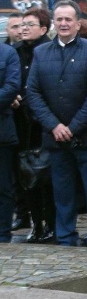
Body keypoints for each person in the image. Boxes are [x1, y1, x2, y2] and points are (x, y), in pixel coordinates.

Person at [25, 0, 87, 248]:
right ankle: (65, 237)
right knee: (62, 193)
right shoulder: (41, 53)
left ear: (77, 22)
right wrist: (54, 125)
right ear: (54, 21)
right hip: (55, 138)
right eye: (59, 19)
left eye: (68, 19)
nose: (63, 23)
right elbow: (34, 93)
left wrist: (73, 127)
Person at [12, 8, 55, 243]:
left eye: (30, 24)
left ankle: (51, 223)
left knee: (46, 178)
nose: (24, 28)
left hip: (44, 123)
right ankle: (35, 222)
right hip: (21, 124)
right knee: (26, 176)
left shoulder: (49, 50)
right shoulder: (15, 52)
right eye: (21, 24)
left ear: (43, 28)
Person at [0, 41, 21, 243]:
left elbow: (12, 86)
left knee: (3, 186)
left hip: (2, 131)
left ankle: (3, 232)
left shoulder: (8, 53)